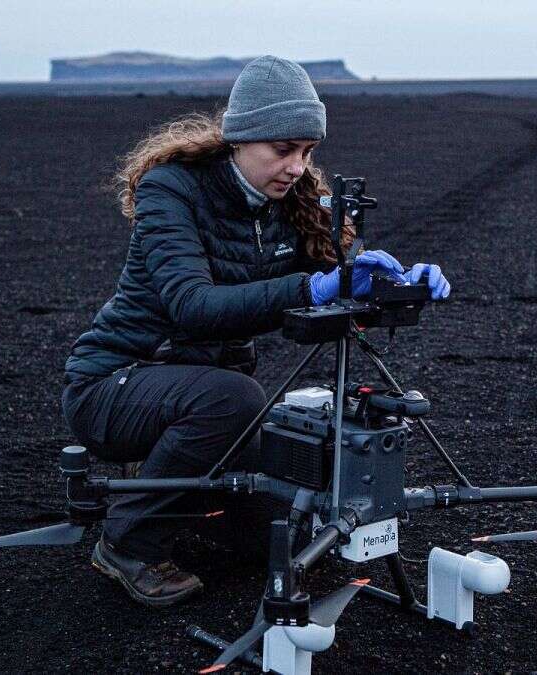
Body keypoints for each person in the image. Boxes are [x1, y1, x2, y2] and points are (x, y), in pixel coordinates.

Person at [60, 56, 451, 608]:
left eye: (307, 152)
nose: (296, 167)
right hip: (115, 384)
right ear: (241, 139)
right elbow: (191, 306)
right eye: (283, 150)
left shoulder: (290, 204)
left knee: (281, 531)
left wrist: (392, 282)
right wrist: (308, 289)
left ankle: (163, 486)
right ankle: (126, 543)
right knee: (238, 399)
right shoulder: (170, 191)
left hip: (200, 398)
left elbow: (342, 273)